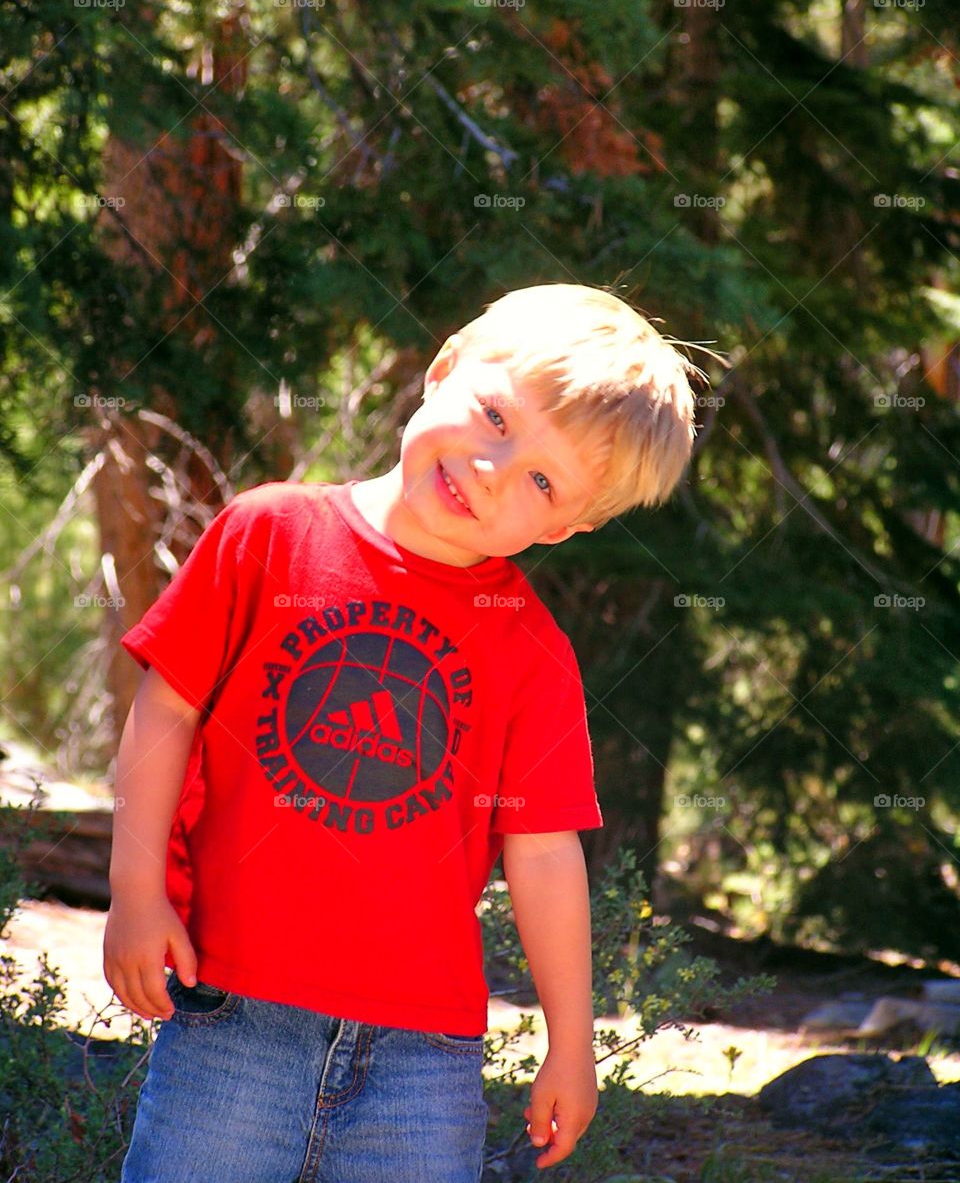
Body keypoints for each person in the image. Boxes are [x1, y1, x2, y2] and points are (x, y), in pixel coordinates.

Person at [104, 282, 702, 1183]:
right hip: (232, 1016)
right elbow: (165, 711)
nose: (496, 468)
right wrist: (134, 891)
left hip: (424, 1061)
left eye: (543, 480)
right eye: (497, 416)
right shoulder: (268, 534)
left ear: (570, 525)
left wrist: (570, 1044)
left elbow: (544, 854)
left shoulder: (531, 649)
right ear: (445, 367)